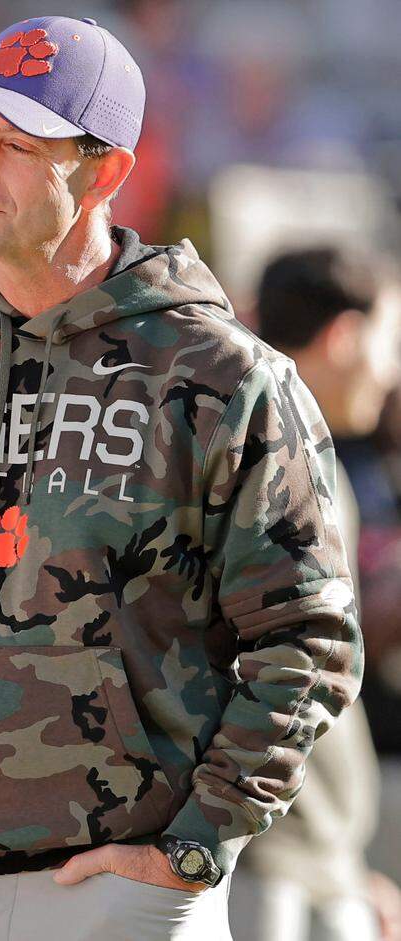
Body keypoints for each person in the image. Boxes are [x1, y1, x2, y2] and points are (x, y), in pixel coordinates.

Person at [0, 15, 362, 941]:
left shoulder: (225, 377)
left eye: (15, 145)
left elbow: (310, 640)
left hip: (114, 893)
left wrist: (191, 848)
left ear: (105, 172)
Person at [232, 246, 401, 941]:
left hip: (312, 859)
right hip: (266, 865)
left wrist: (344, 864)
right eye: (389, 342)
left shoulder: (306, 447)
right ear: (344, 336)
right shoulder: (269, 456)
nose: (391, 371)